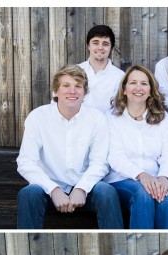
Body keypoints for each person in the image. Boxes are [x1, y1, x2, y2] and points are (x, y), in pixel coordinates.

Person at [16, 65, 122, 229]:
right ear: (55, 91)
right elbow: (26, 162)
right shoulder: (38, 117)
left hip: (85, 188)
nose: (72, 91)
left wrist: (81, 188)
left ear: (85, 93)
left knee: (107, 192)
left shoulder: (96, 119)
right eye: (66, 86)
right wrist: (53, 190)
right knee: (28, 194)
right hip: (48, 188)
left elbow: (100, 163)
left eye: (78, 86)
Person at [103, 65, 168, 229]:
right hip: (121, 180)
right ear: (124, 89)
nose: (138, 88)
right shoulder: (111, 117)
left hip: (156, 179)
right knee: (143, 193)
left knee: (166, 194)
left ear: (150, 90)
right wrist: (141, 175)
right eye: (133, 83)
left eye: (144, 83)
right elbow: (115, 157)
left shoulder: (162, 118)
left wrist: (165, 177)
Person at [78, 24, 124, 113]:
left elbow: (120, 110)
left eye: (105, 44)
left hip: (106, 125)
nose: (100, 47)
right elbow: (58, 102)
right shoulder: (74, 71)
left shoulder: (120, 77)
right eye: (95, 43)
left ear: (111, 48)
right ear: (88, 46)